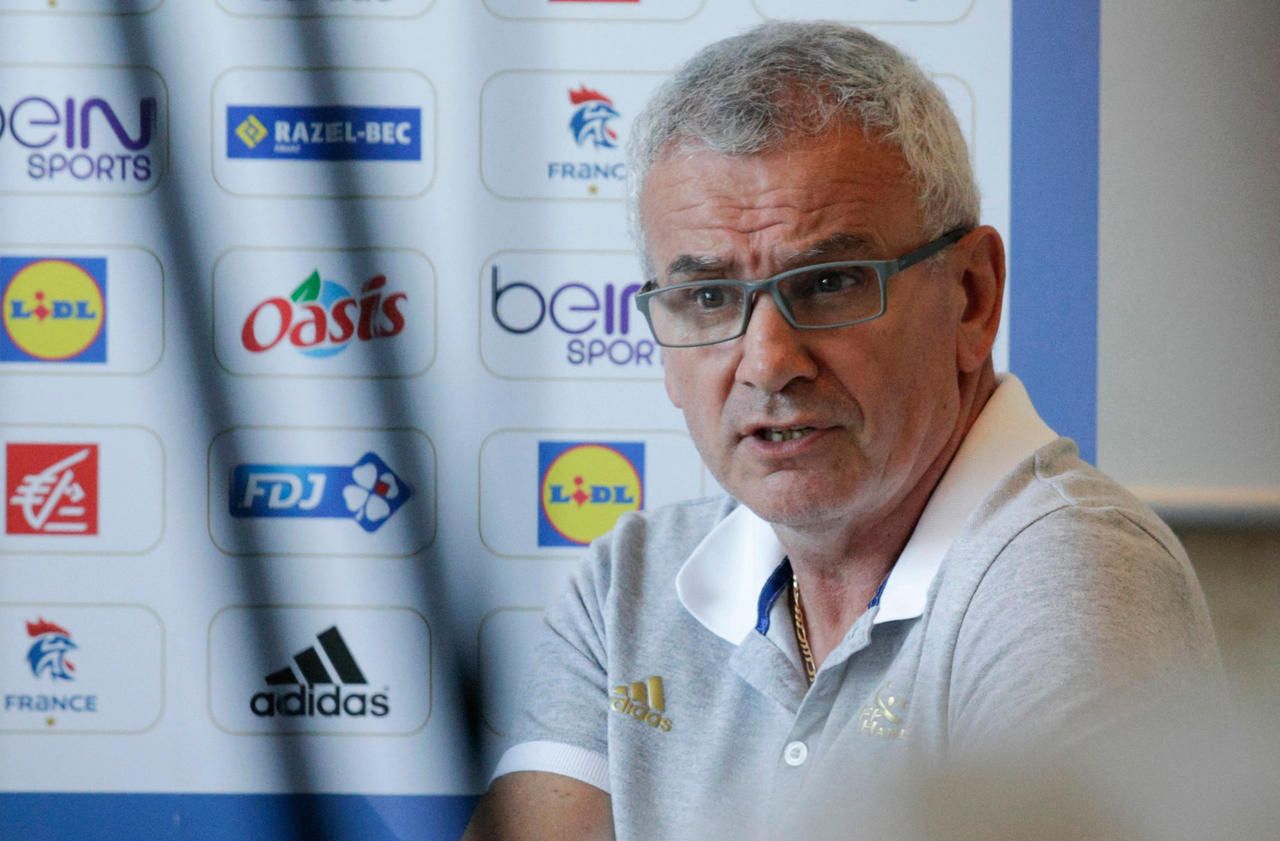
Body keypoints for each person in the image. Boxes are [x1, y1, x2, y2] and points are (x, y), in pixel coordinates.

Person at [464, 20, 1222, 841]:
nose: (767, 362)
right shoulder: (630, 586)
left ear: (971, 297)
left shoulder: (1071, 572)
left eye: (828, 283)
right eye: (710, 297)